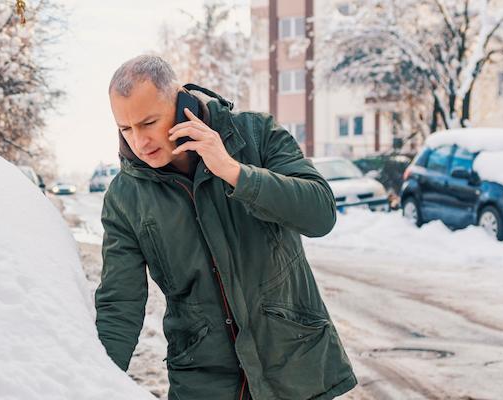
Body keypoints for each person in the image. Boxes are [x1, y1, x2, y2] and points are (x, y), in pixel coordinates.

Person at [95, 55, 356, 399]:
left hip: (294, 371)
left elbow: (320, 214)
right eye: (126, 129)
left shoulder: (256, 135)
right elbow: (120, 303)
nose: (139, 142)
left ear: (181, 104)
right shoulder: (125, 197)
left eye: (148, 122)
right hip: (203, 384)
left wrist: (234, 172)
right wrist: (94, 382)